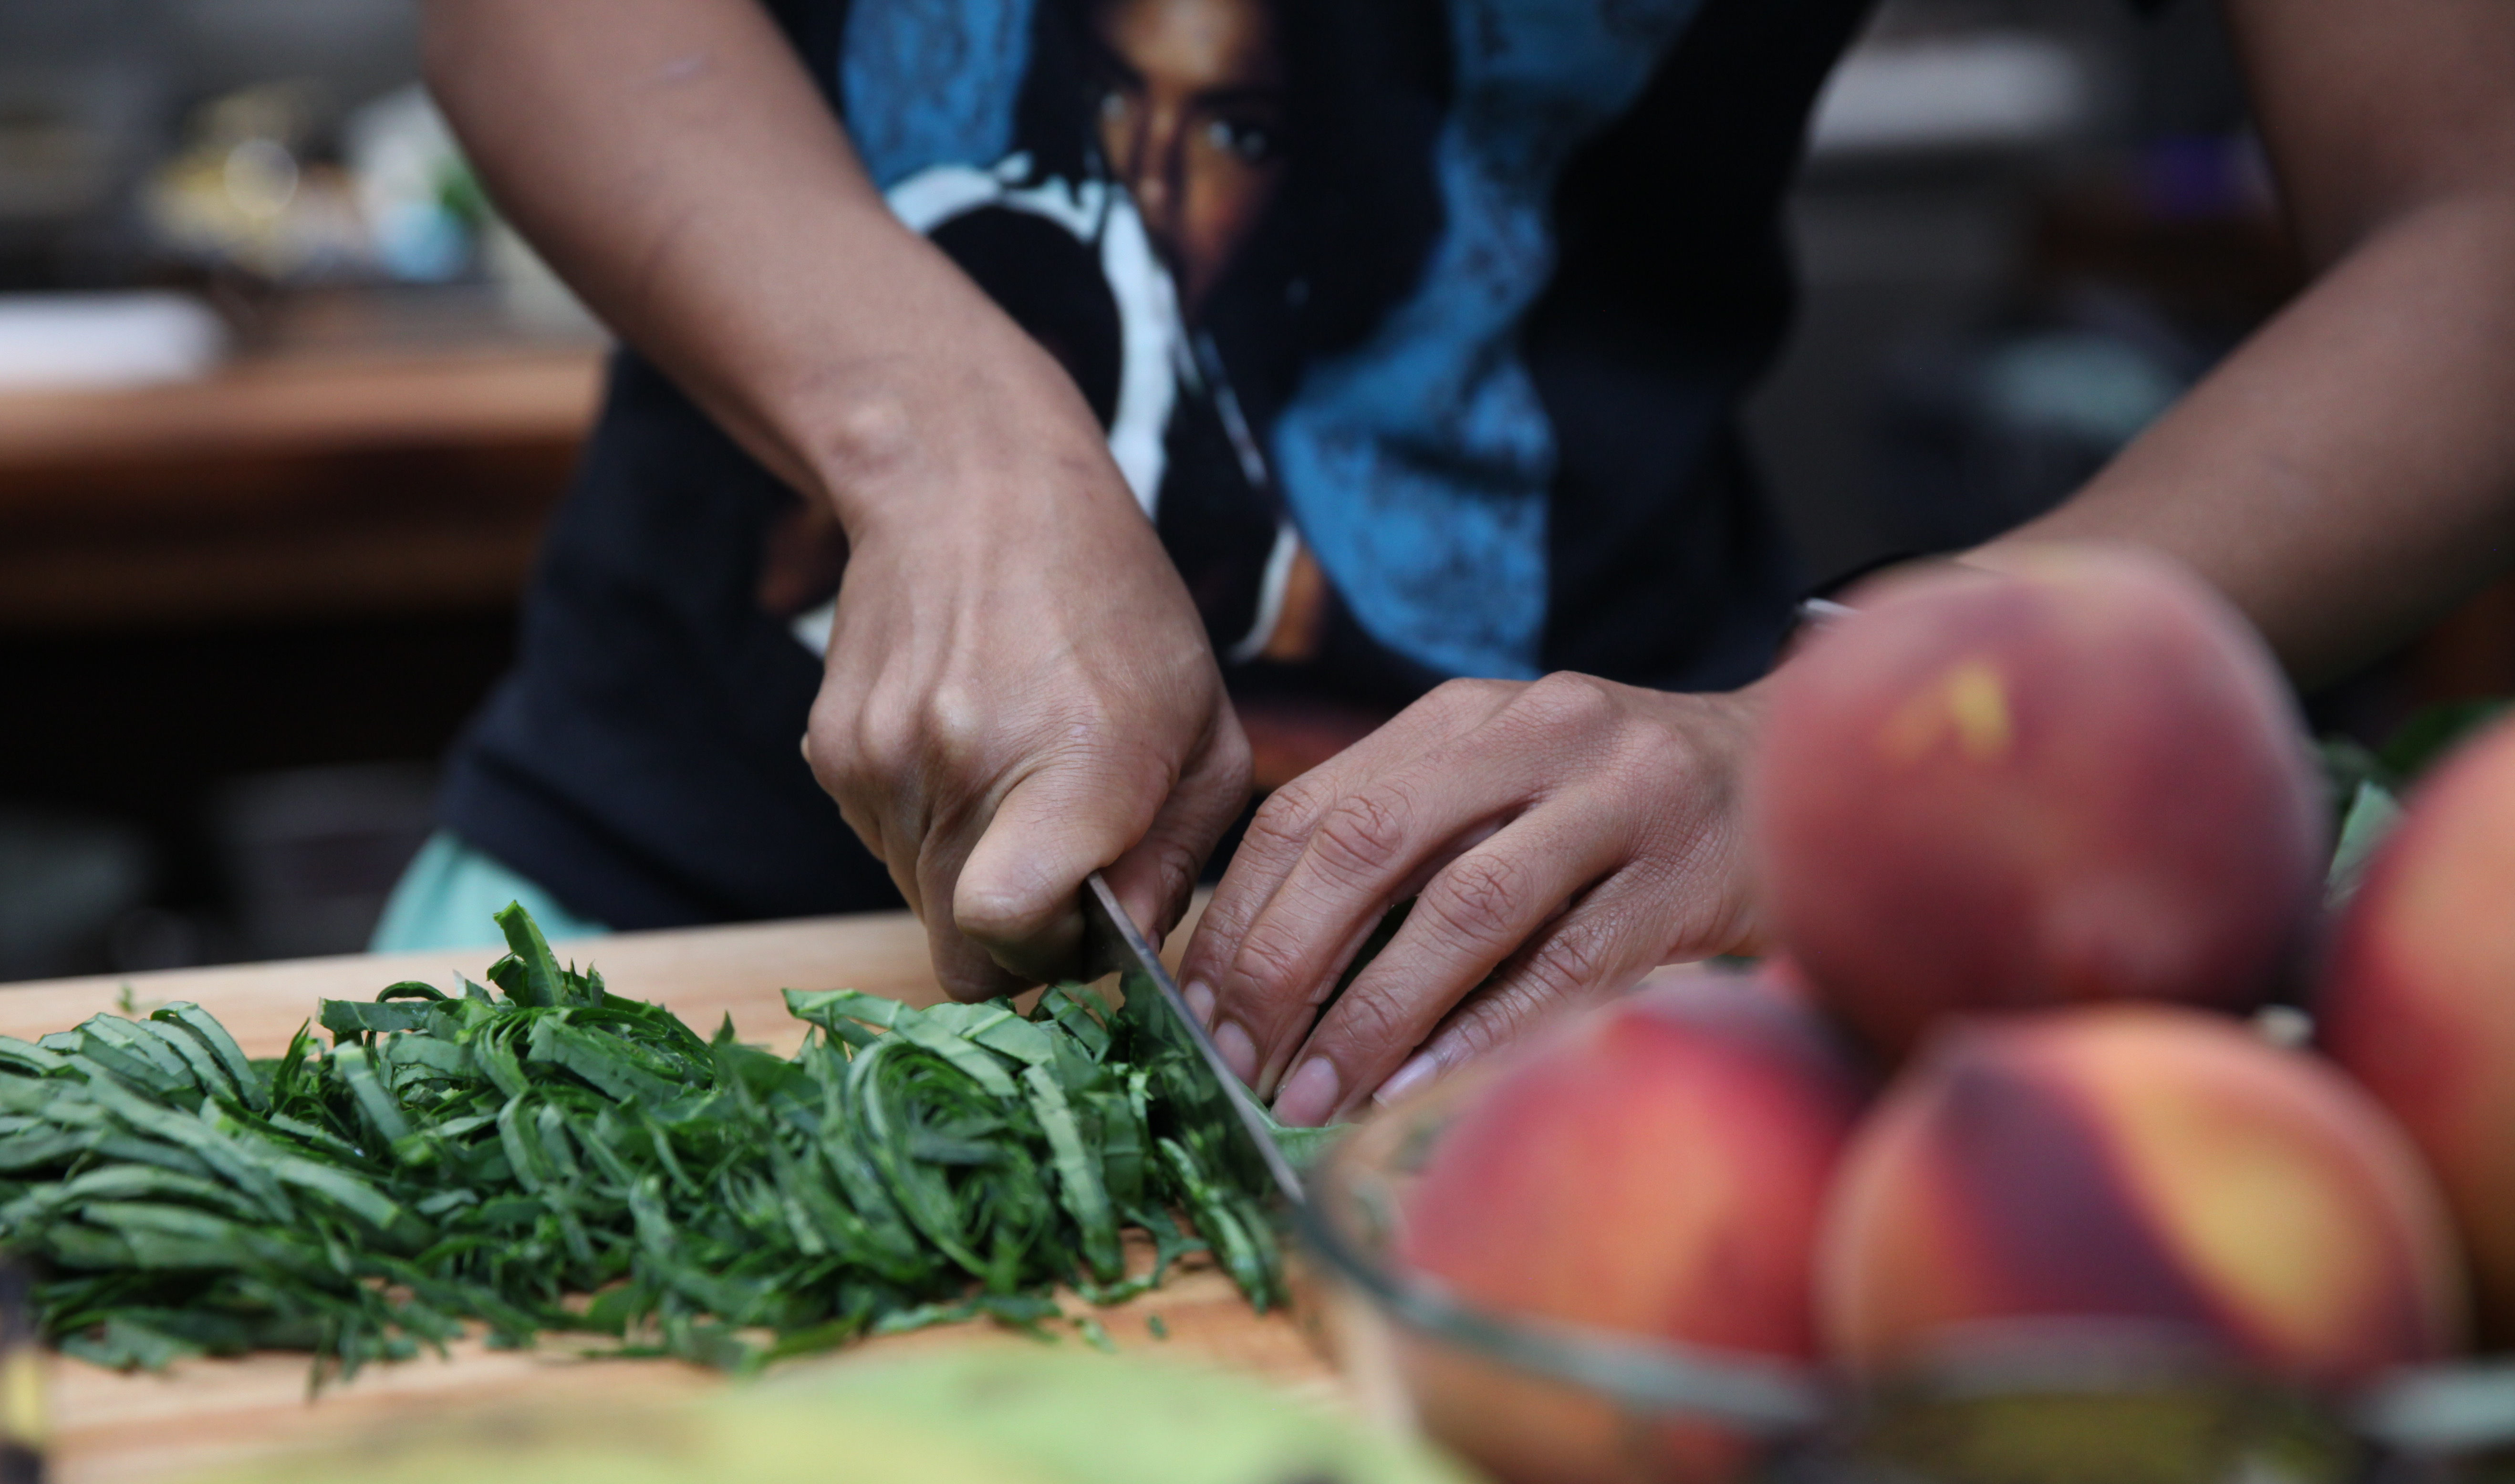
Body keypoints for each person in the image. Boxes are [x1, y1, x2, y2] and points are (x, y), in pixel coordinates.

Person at [393, 0, 2515, 1130]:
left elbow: (2476, 225)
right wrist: (938, 439)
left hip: (1608, 1012)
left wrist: (1861, 739)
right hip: (636, 956)